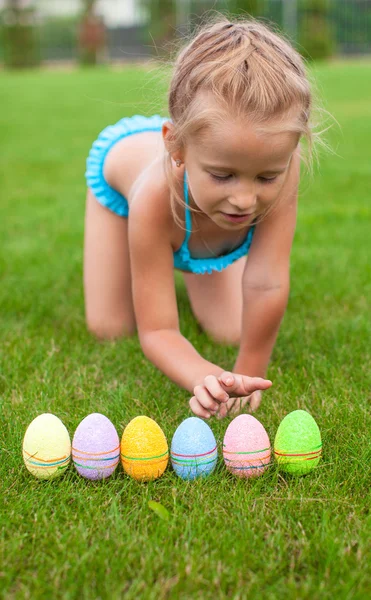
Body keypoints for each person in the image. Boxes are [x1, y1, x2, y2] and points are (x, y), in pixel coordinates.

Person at [83, 15, 322, 420]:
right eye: (223, 175)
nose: (245, 199)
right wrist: (204, 375)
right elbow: (158, 332)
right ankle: (159, 247)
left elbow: (267, 281)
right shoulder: (153, 197)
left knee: (231, 331)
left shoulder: (282, 166)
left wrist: (248, 372)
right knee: (110, 328)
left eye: (266, 176)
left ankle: (193, 254)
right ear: (176, 147)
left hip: (196, 203)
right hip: (124, 185)